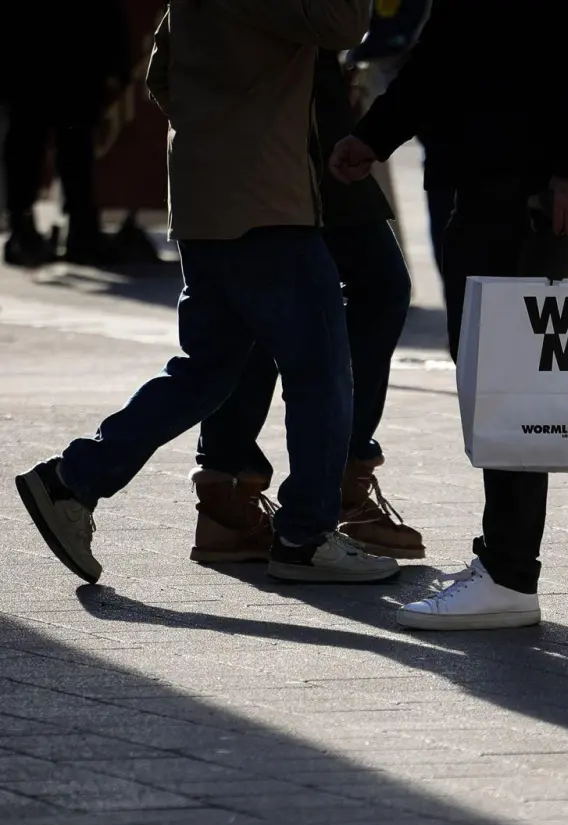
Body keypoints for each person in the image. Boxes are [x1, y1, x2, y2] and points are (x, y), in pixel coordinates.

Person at [328, 0, 568, 630]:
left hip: (532, 171)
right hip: (499, 166)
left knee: (500, 366)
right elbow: (452, 40)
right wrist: (377, 134)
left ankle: (516, 568)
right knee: (504, 363)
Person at [13, 0, 399, 586]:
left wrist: (215, 130)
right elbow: (344, 23)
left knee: (209, 369)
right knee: (320, 369)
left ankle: (72, 481)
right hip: (266, 202)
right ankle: (305, 536)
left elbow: (160, 75)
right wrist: (252, 131)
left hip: (205, 199)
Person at [188, 49, 423, 565]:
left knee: (374, 286)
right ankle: (239, 495)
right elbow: (338, 20)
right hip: (276, 120)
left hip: (310, 107)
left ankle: (273, 488)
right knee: (262, 299)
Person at [2, 0, 130, 267]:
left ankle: (36, 224)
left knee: (41, 147)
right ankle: (68, 228)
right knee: (61, 149)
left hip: (44, 60)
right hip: (68, 58)